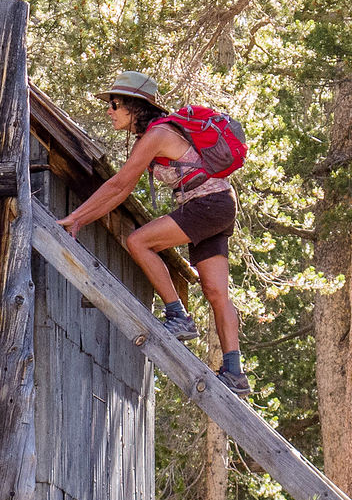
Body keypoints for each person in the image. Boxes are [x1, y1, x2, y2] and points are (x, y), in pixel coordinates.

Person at [56, 71, 249, 394]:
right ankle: (234, 372)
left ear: (135, 106)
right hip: (218, 204)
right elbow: (121, 191)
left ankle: (178, 315)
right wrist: (80, 219)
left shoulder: (158, 134)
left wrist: (76, 218)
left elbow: (119, 184)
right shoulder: (157, 135)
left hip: (208, 205)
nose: (110, 110)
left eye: (115, 104)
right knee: (216, 293)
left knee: (139, 241)